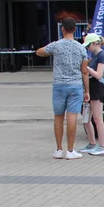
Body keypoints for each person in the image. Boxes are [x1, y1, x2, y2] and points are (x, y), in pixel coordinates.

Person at [36, 17, 90, 160]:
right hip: (75, 86)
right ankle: (71, 150)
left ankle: (59, 149)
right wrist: (87, 90)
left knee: (58, 117)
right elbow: (84, 71)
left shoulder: (56, 45)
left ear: (62, 29)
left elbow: (40, 52)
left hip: (59, 85)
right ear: (75, 29)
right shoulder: (81, 47)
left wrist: (44, 51)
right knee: (72, 117)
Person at [79, 34, 104, 156]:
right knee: (86, 118)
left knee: (97, 118)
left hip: (97, 87)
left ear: (95, 43)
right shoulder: (94, 56)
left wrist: (86, 68)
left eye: (89, 45)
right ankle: (92, 143)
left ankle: (102, 145)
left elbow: (98, 75)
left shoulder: (102, 56)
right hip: (89, 88)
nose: (88, 48)